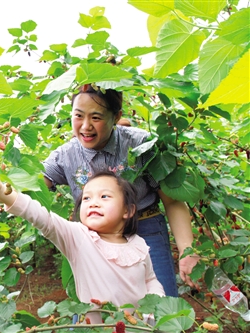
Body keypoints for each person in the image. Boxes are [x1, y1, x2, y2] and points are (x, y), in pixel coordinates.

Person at [42, 84, 199, 296]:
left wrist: (187, 250)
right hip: (94, 239)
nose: (85, 126)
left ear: (116, 117)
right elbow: (33, 184)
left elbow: (172, 201)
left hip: (145, 229)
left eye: (96, 118)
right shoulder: (65, 155)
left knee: (161, 304)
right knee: (98, 307)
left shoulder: (141, 145)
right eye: (78, 116)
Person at [0, 165, 165, 323]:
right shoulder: (79, 238)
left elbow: (150, 280)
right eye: (86, 198)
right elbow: (41, 216)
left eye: (104, 196)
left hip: (139, 327)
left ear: (128, 210)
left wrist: (155, 306)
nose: (93, 203)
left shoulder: (138, 245)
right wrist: (0, 189)